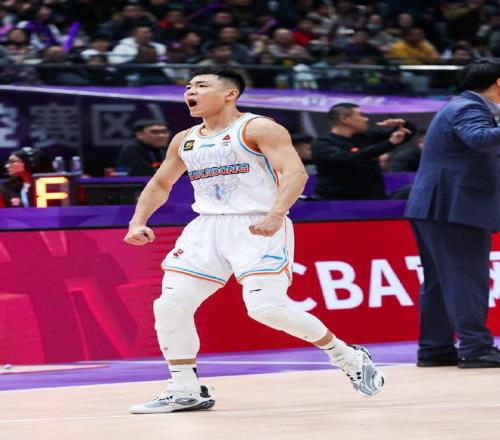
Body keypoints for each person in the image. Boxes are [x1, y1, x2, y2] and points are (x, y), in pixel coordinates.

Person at [124, 68, 385, 414]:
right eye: (188, 87)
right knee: (170, 306)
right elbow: (161, 183)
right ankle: (185, 389)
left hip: (256, 223)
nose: (191, 91)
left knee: (267, 309)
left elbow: (295, 172)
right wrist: (138, 220)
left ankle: (346, 356)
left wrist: (277, 213)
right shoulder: (184, 139)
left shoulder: (258, 128)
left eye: (201, 85)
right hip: (206, 227)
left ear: (230, 94)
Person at [406, 58, 500, 368]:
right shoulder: (469, 108)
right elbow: (480, 138)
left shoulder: (461, 105)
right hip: (453, 206)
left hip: (437, 205)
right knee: (466, 277)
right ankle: (475, 348)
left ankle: (435, 349)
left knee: (439, 281)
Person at [311, 103, 415, 200]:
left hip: (373, 200)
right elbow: (350, 159)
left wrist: (404, 124)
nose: (366, 119)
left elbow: (404, 135)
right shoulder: (323, 144)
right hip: (337, 202)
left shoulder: (366, 136)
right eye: (361, 115)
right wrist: (389, 144)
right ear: (344, 119)